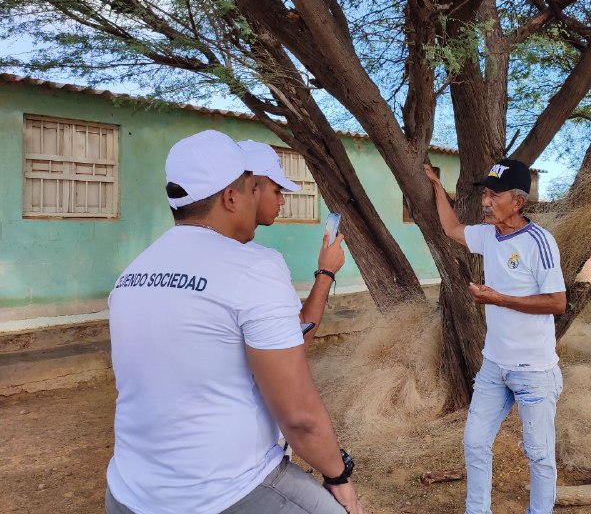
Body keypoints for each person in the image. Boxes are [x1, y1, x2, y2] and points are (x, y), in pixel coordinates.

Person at [105, 130, 365, 514]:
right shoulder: (253, 268)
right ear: (233, 197)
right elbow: (298, 414)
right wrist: (338, 476)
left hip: (127, 493)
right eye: (255, 189)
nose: (274, 199)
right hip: (225, 492)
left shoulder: (132, 273)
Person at [424, 159, 567, 514]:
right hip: (494, 367)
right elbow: (453, 229)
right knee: (474, 443)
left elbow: (557, 302)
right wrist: (439, 190)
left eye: (493, 195)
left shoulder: (539, 242)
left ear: (517, 202)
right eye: (485, 194)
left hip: (534, 371)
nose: (485, 202)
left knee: (539, 455)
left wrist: (498, 298)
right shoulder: (488, 235)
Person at [237, 140, 344, 348]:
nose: (282, 201)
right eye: (277, 190)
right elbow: (296, 342)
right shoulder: (261, 265)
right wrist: (326, 272)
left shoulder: (162, 255)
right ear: (252, 188)